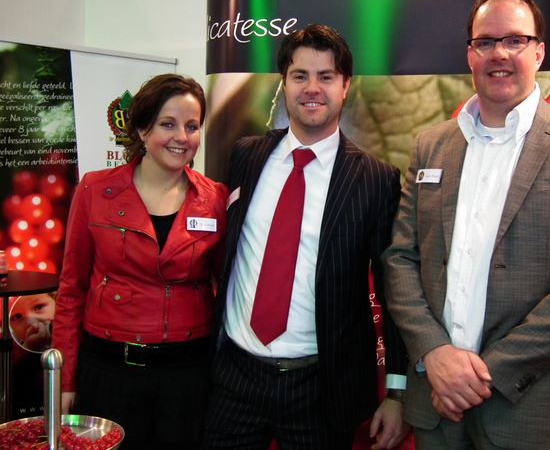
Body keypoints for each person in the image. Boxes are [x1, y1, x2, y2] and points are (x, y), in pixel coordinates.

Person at [383, 0, 550, 450]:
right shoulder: (431, 145)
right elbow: (400, 258)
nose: (499, 53)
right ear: (470, 55)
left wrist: (483, 375)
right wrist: (434, 352)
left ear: (539, 52)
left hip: (532, 410)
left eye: (515, 40)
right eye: (485, 42)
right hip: (435, 406)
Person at [202, 24, 409, 450]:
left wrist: (397, 392)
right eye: (300, 76)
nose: (312, 88)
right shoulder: (246, 155)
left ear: (345, 86)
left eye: (326, 76)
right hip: (235, 378)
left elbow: (395, 290)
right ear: (284, 82)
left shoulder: (375, 179)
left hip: (320, 389)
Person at [52, 74, 228, 449]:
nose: (182, 137)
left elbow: (229, 289)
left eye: (192, 126)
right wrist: (65, 380)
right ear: (143, 130)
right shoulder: (95, 190)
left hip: (187, 377)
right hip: (109, 371)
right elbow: (71, 291)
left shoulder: (215, 199)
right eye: (168, 124)